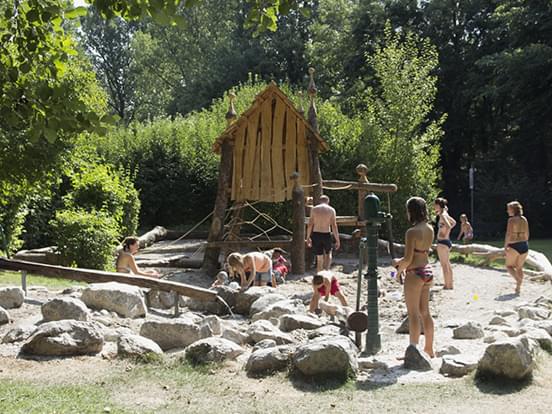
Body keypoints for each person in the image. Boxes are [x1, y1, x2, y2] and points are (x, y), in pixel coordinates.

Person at [393, 197, 435, 358]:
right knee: (425, 312)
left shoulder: (412, 232)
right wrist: (400, 269)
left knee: (413, 314)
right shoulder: (430, 228)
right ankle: (430, 349)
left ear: (411, 211)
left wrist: (396, 264)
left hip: (415, 273)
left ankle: (413, 351)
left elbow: (408, 259)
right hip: (428, 271)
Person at [306, 195, 340, 272]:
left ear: (320, 201)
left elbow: (310, 224)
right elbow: (334, 226)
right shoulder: (331, 210)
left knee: (319, 257)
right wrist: (337, 240)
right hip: (326, 233)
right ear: (328, 201)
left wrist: (308, 237)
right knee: (328, 254)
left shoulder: (314, 209)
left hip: (316, 234)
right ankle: (327, 271)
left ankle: (320, 274)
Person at [504, 201, 530, 295]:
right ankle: (518, 288)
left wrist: (505, 246)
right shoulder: (524, 219)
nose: (507, 211)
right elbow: (527, 234)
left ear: (513, 210)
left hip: (514, 245)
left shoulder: (511, 220)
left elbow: (508, 234)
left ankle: (518, 281)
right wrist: (524, 242)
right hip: (524, 245)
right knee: (519, 267)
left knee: (509, 266)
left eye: (509, 209)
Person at [434, 198, 456, 289]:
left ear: (438, 205)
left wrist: (445, 235)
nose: (434, 206)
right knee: (447, 264)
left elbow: (449, 226)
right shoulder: (444, 214)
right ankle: (450, 284)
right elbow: (454, 222)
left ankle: (447, 285)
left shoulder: (443, 215)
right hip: (446, 242)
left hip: (442, 242)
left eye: (435, 205)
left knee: (444, 265)